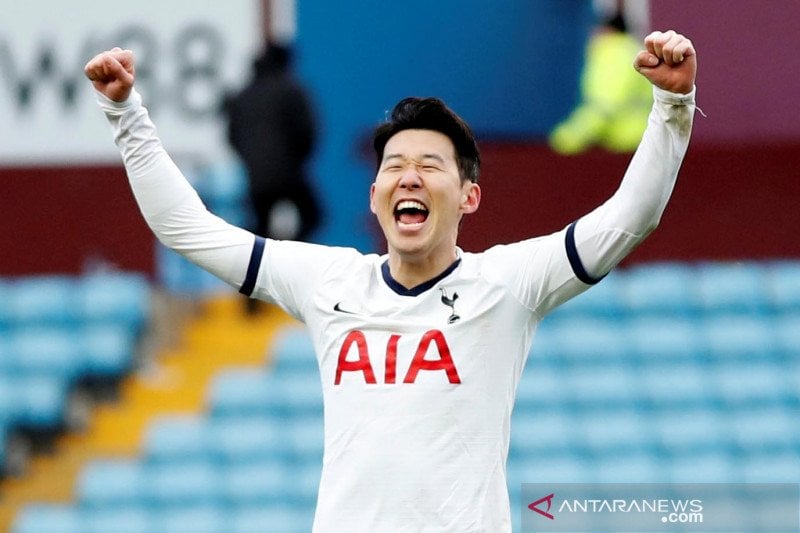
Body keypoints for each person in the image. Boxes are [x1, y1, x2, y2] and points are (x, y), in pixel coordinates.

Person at [84, 29, 696, 532]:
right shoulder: (328, 281)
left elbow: (629, 218)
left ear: (469, 196)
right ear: (375, 193)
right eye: (394, 165)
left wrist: (672, 107)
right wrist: (125, 112)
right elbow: (186, 228)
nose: (409, 177)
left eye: (430, 165)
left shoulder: (507, 284)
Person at [222, 41, 320, 243]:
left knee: (261, 227)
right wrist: (293, 163)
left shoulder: (244, 95)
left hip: (256, 178)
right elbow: (306, 133)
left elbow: (232, 136)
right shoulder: (291, 90)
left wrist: (252, 162)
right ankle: (291, 252)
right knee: (313, 216)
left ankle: (264, 257)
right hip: (289, 176)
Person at [549, 13, 653, 155]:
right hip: (639, 137)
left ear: (608, 30)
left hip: (621, 142)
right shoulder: (633, 51)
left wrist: (568, 138)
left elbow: (604, 106)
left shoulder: (613, 55)